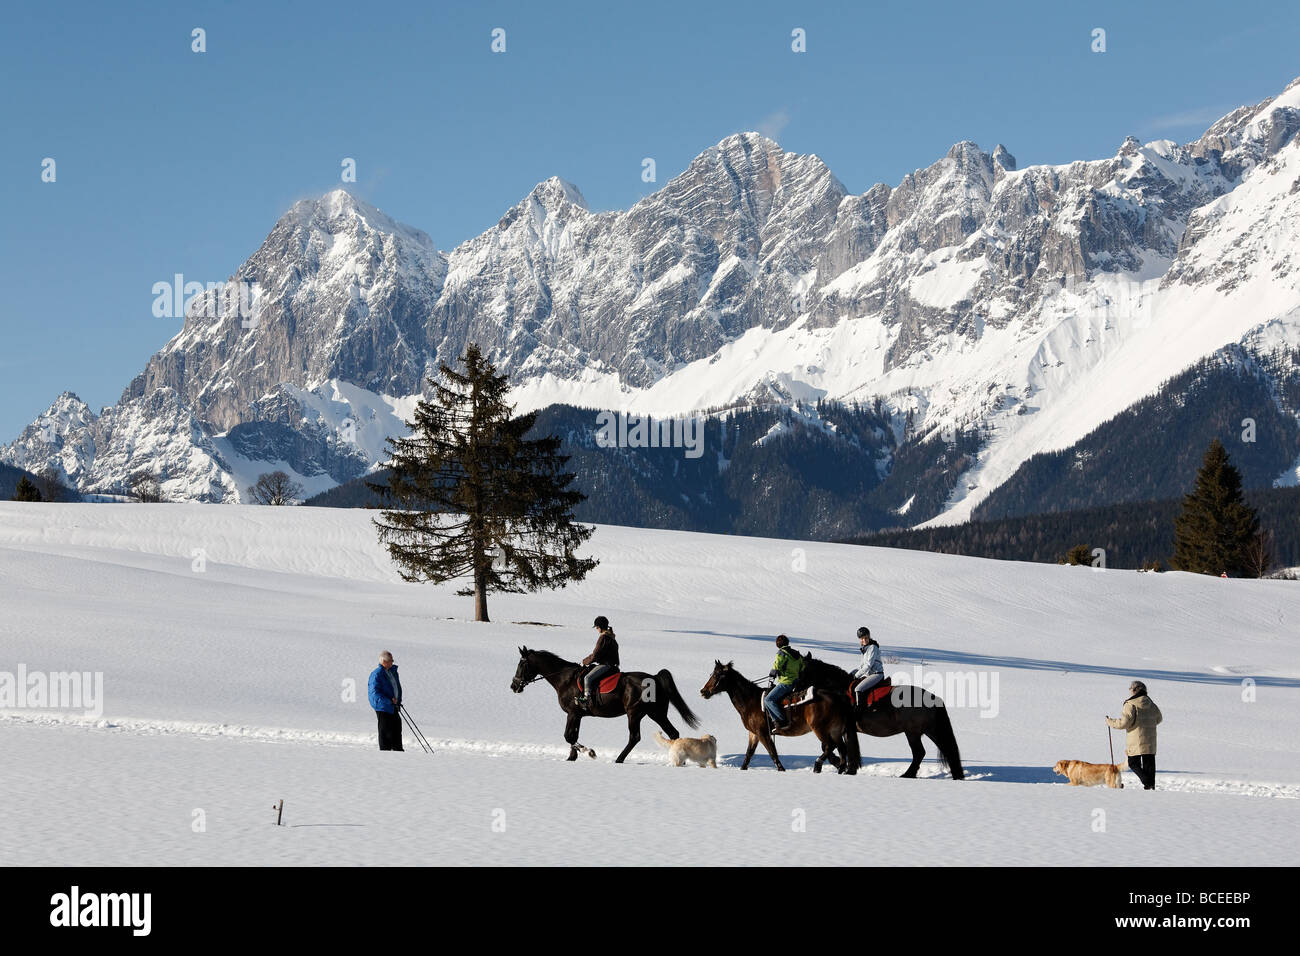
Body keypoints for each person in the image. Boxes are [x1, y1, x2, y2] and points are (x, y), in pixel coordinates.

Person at [1106, 680, 1162, 789]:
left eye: (1131, 689)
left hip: (1136, 739)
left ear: (1136, 690)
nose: (1130, 692)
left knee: (1133, 763)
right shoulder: (1151, 704)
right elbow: (1159, 719)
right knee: (1149, 765)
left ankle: (1148, 783)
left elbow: (1124, 723)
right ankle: (1150, 789)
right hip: (1150, 740)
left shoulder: (1131, 704)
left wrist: (1110, 722)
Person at [575, 615, 619, 709]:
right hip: (613, 665)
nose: (596, 629)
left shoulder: (603, 638)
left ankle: (586, 699)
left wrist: (584, 662)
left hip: (606, 665)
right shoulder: (611, 637)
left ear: (600, 627)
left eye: (597, 627)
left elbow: (596, 654)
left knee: (587, 678)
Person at [763, 634, 804, 731]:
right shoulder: (797, 654)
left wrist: (772, 674)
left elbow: (777, 666)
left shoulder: (782, 653)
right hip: (795, 683)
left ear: (778, 644)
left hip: (786, 683)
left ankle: (781, 720)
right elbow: (802, 667)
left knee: (768, 700)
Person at [368, 650, 403, 751]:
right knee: (385, 732)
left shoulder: (392, 672)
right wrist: (389, 700)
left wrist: (397, 701)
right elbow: (374, 693)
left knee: (397, 729)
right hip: (383, 707)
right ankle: (385, 753)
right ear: (384, 661)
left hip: (393, 706)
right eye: (390, 660)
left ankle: (398, 751)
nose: (392, 662)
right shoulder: (377, 674)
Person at [850, 626, 885, 709]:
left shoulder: (873, 648)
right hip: (870, 675)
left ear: (869, 637)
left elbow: (868, 665)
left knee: (858, 689)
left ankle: (859, 711)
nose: (864, 640)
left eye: (866, 638)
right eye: (862, 638)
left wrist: (856, 675)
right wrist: (852, 673)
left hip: (877, 675)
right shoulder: (864, 650)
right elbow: (862, 667)